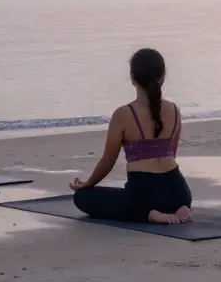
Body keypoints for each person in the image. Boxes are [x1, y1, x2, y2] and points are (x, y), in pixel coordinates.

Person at [70, 49, 193, 224]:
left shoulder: (123, 114)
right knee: (158, 196)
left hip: (143, 195)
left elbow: (108, 161)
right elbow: (171, 153)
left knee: (82, 197)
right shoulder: (174, 110)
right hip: (179, 191)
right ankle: (180, 207)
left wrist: (87, 184)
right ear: (163, 77)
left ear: (132, 77)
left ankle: (149, 213)